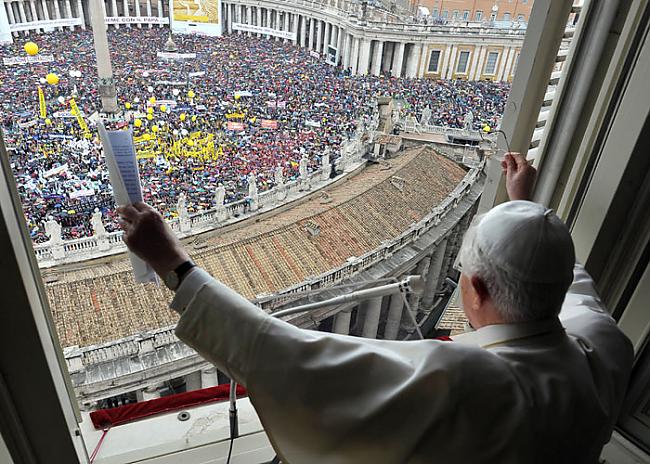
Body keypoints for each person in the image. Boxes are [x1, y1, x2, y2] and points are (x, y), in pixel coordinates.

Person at [117, 152, 633, 463]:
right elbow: (564, 281)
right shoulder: (608, 346)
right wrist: (519, 207)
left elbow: (291, 360)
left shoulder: (461, 379)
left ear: (473, 289)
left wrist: (175, 264)